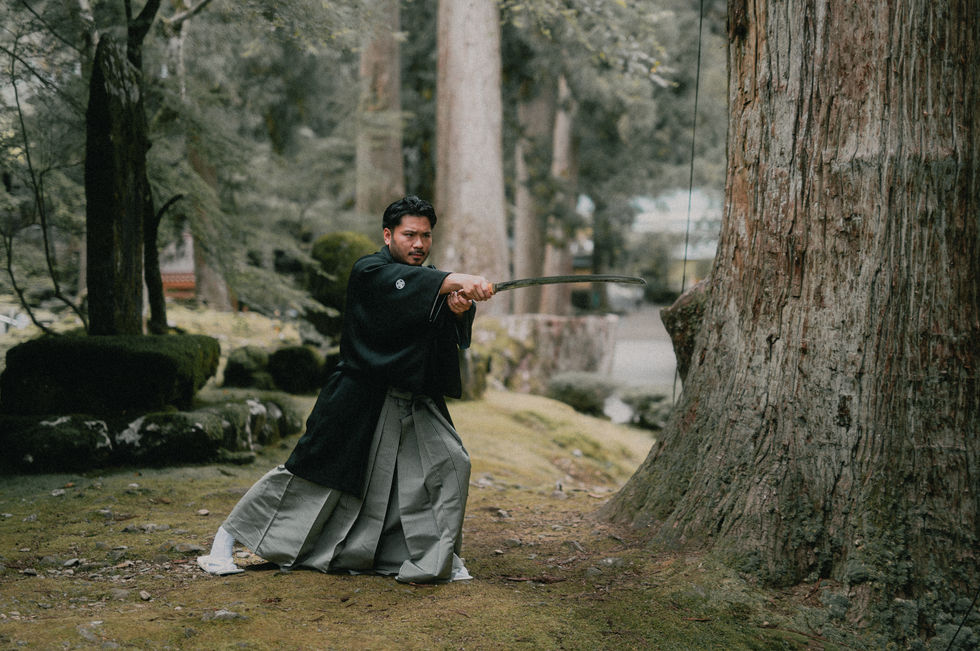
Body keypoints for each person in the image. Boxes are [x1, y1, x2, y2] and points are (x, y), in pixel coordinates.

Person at [197, 195, 494, 583]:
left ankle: (438, 557)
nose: (419, 244)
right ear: (388, 235)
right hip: (357, 395)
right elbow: (402, 290)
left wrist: (455, 309)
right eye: (409, 235)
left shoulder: (430, 279)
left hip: (412, 401)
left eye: (426, 236)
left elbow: (424, 324)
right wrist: (454, 280)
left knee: (448, 466)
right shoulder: (370, 270)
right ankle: (224, 542)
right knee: (309, 477)